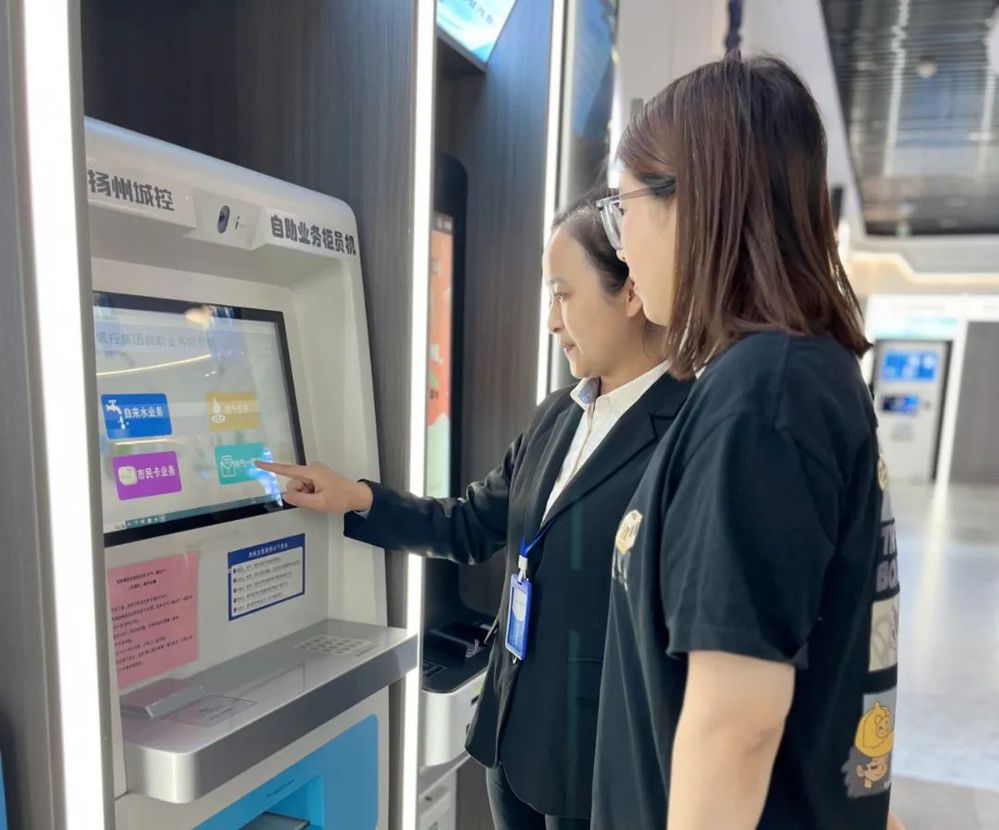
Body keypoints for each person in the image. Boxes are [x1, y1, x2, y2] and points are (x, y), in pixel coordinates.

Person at [259, 194, 693, 830]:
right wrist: (357, 498)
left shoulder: (687, 430)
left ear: (629, 291)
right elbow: (469, 525)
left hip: (599, 762)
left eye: (564, 296)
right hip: (511, 735)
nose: (552, 321)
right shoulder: (557, 416)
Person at [590, 55, 901, 830]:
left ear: (693, 203)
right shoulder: (794, 374)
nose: (621, 246)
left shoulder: (762, 399)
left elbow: (737, 727)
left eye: (623, 208)